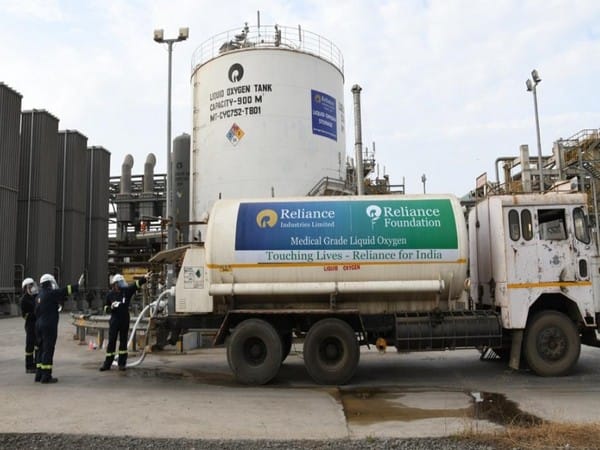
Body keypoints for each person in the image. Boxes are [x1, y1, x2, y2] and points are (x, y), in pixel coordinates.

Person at [35, 273, 84, 384]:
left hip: (38, 325)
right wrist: (77, 285)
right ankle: (46, 376)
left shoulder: (39, 296)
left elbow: (36, 311)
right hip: (48, 325)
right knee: (48, 349)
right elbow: (64, 291)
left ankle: (39, 374)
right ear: (49, 283)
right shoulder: (50, 293)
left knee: (40, 349)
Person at [99, 273, 149, 372]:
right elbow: (105, 308)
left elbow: (135, 285)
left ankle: (122, 364)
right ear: (115, 284)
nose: (121, 285)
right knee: (112, 341)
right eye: (119, 283)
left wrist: (144, 278)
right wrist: (111, 308)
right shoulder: (110, 295)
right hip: (114, 320)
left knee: (123, 342)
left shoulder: (126, 291)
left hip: (124, 319)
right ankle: (107, 364)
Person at [19, 277, 39, 374]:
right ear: (25, 288)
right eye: (30, 286)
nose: (32, 287)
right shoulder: (24, 300)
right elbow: (25, 315)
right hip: (30, 325)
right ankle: (29, 366)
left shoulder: (36, 297)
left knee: (38, 345)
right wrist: (35, 314)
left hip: (38, 324)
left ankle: (37, 363)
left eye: (32, 285)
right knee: (30, 345)